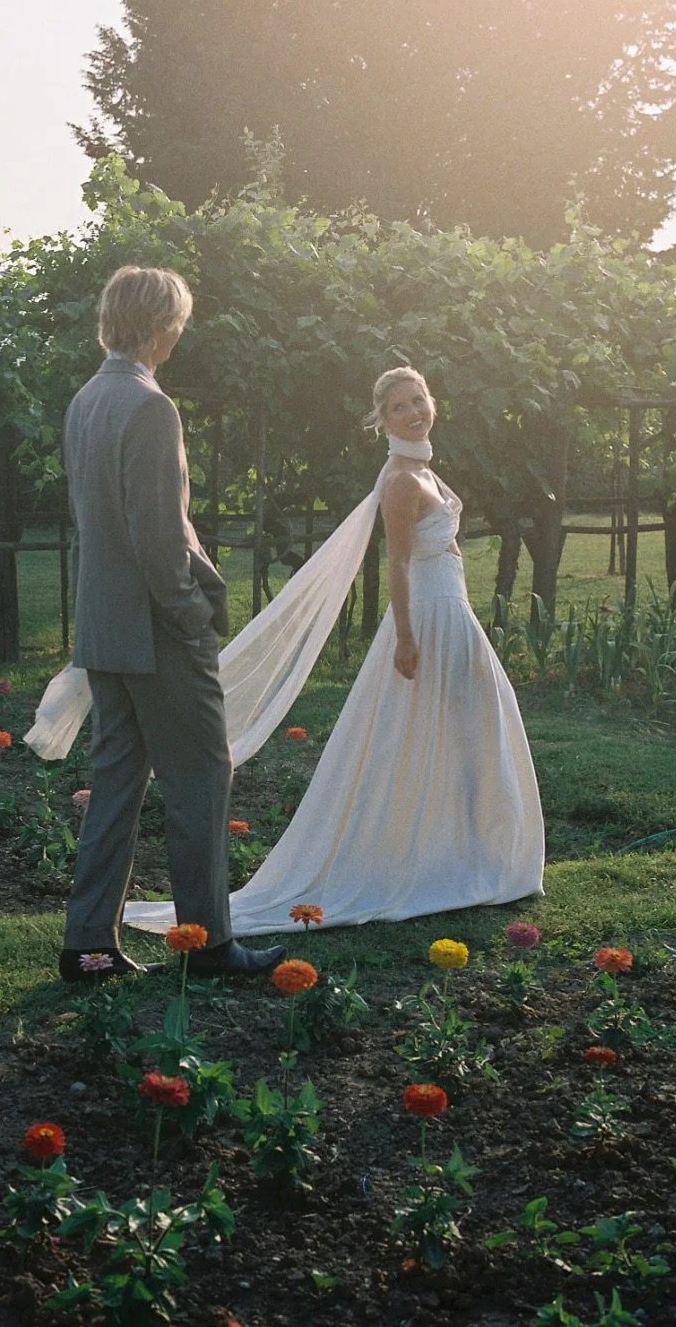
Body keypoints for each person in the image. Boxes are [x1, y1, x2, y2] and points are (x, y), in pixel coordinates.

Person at [121, 365, 544, 935]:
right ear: (382, 420)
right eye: (399, 406)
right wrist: (406, 635)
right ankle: (442, 858)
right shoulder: (399, 479)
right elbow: (395, 561)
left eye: (419, 399)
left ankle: (469, 851)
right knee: (430, 731)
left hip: (453, 613)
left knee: (473, 731)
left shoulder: (423, 467)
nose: (414, 410)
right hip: (429, 618)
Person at [55, 264, 285, 982]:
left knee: (117, 783)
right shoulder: (150, 406)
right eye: (179, 322)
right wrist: (190, 614)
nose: (181, 334)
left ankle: (87, 945)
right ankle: (209, 944)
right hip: (157, 627)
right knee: (202, 776)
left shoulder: (87, 398)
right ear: (159, 326)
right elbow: (157, 535)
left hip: (104, 625)